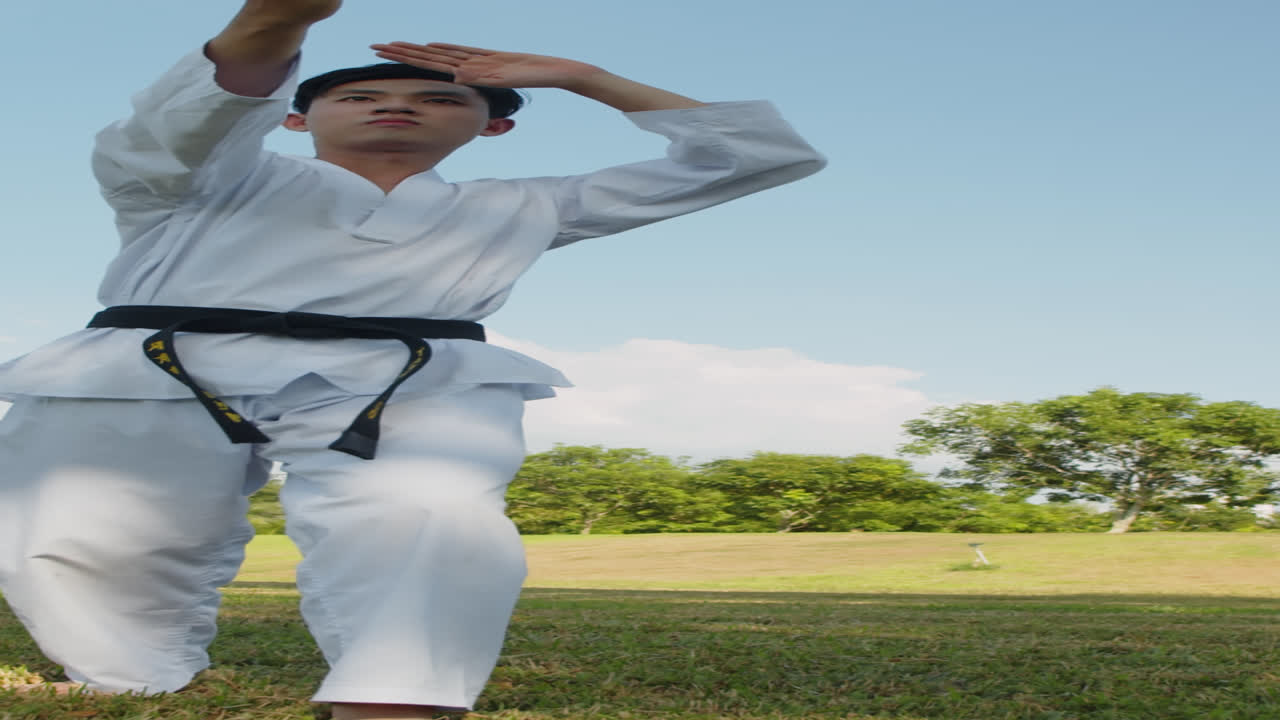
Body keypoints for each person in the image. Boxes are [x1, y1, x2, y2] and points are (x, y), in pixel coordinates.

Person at [0, 1, 825, 718]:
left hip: (403, 376)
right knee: (84, 531)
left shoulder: (522, 204)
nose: (395, 106)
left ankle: (395, 691)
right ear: (293, 116)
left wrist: (585, 75)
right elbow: (175, 131)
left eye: (438, 96)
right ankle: (127, 674)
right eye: (359, 94)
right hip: (153, 363)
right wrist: (276, 22)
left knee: (430, 510)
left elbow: (762, 156)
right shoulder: (202, 182)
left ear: (493, 124)